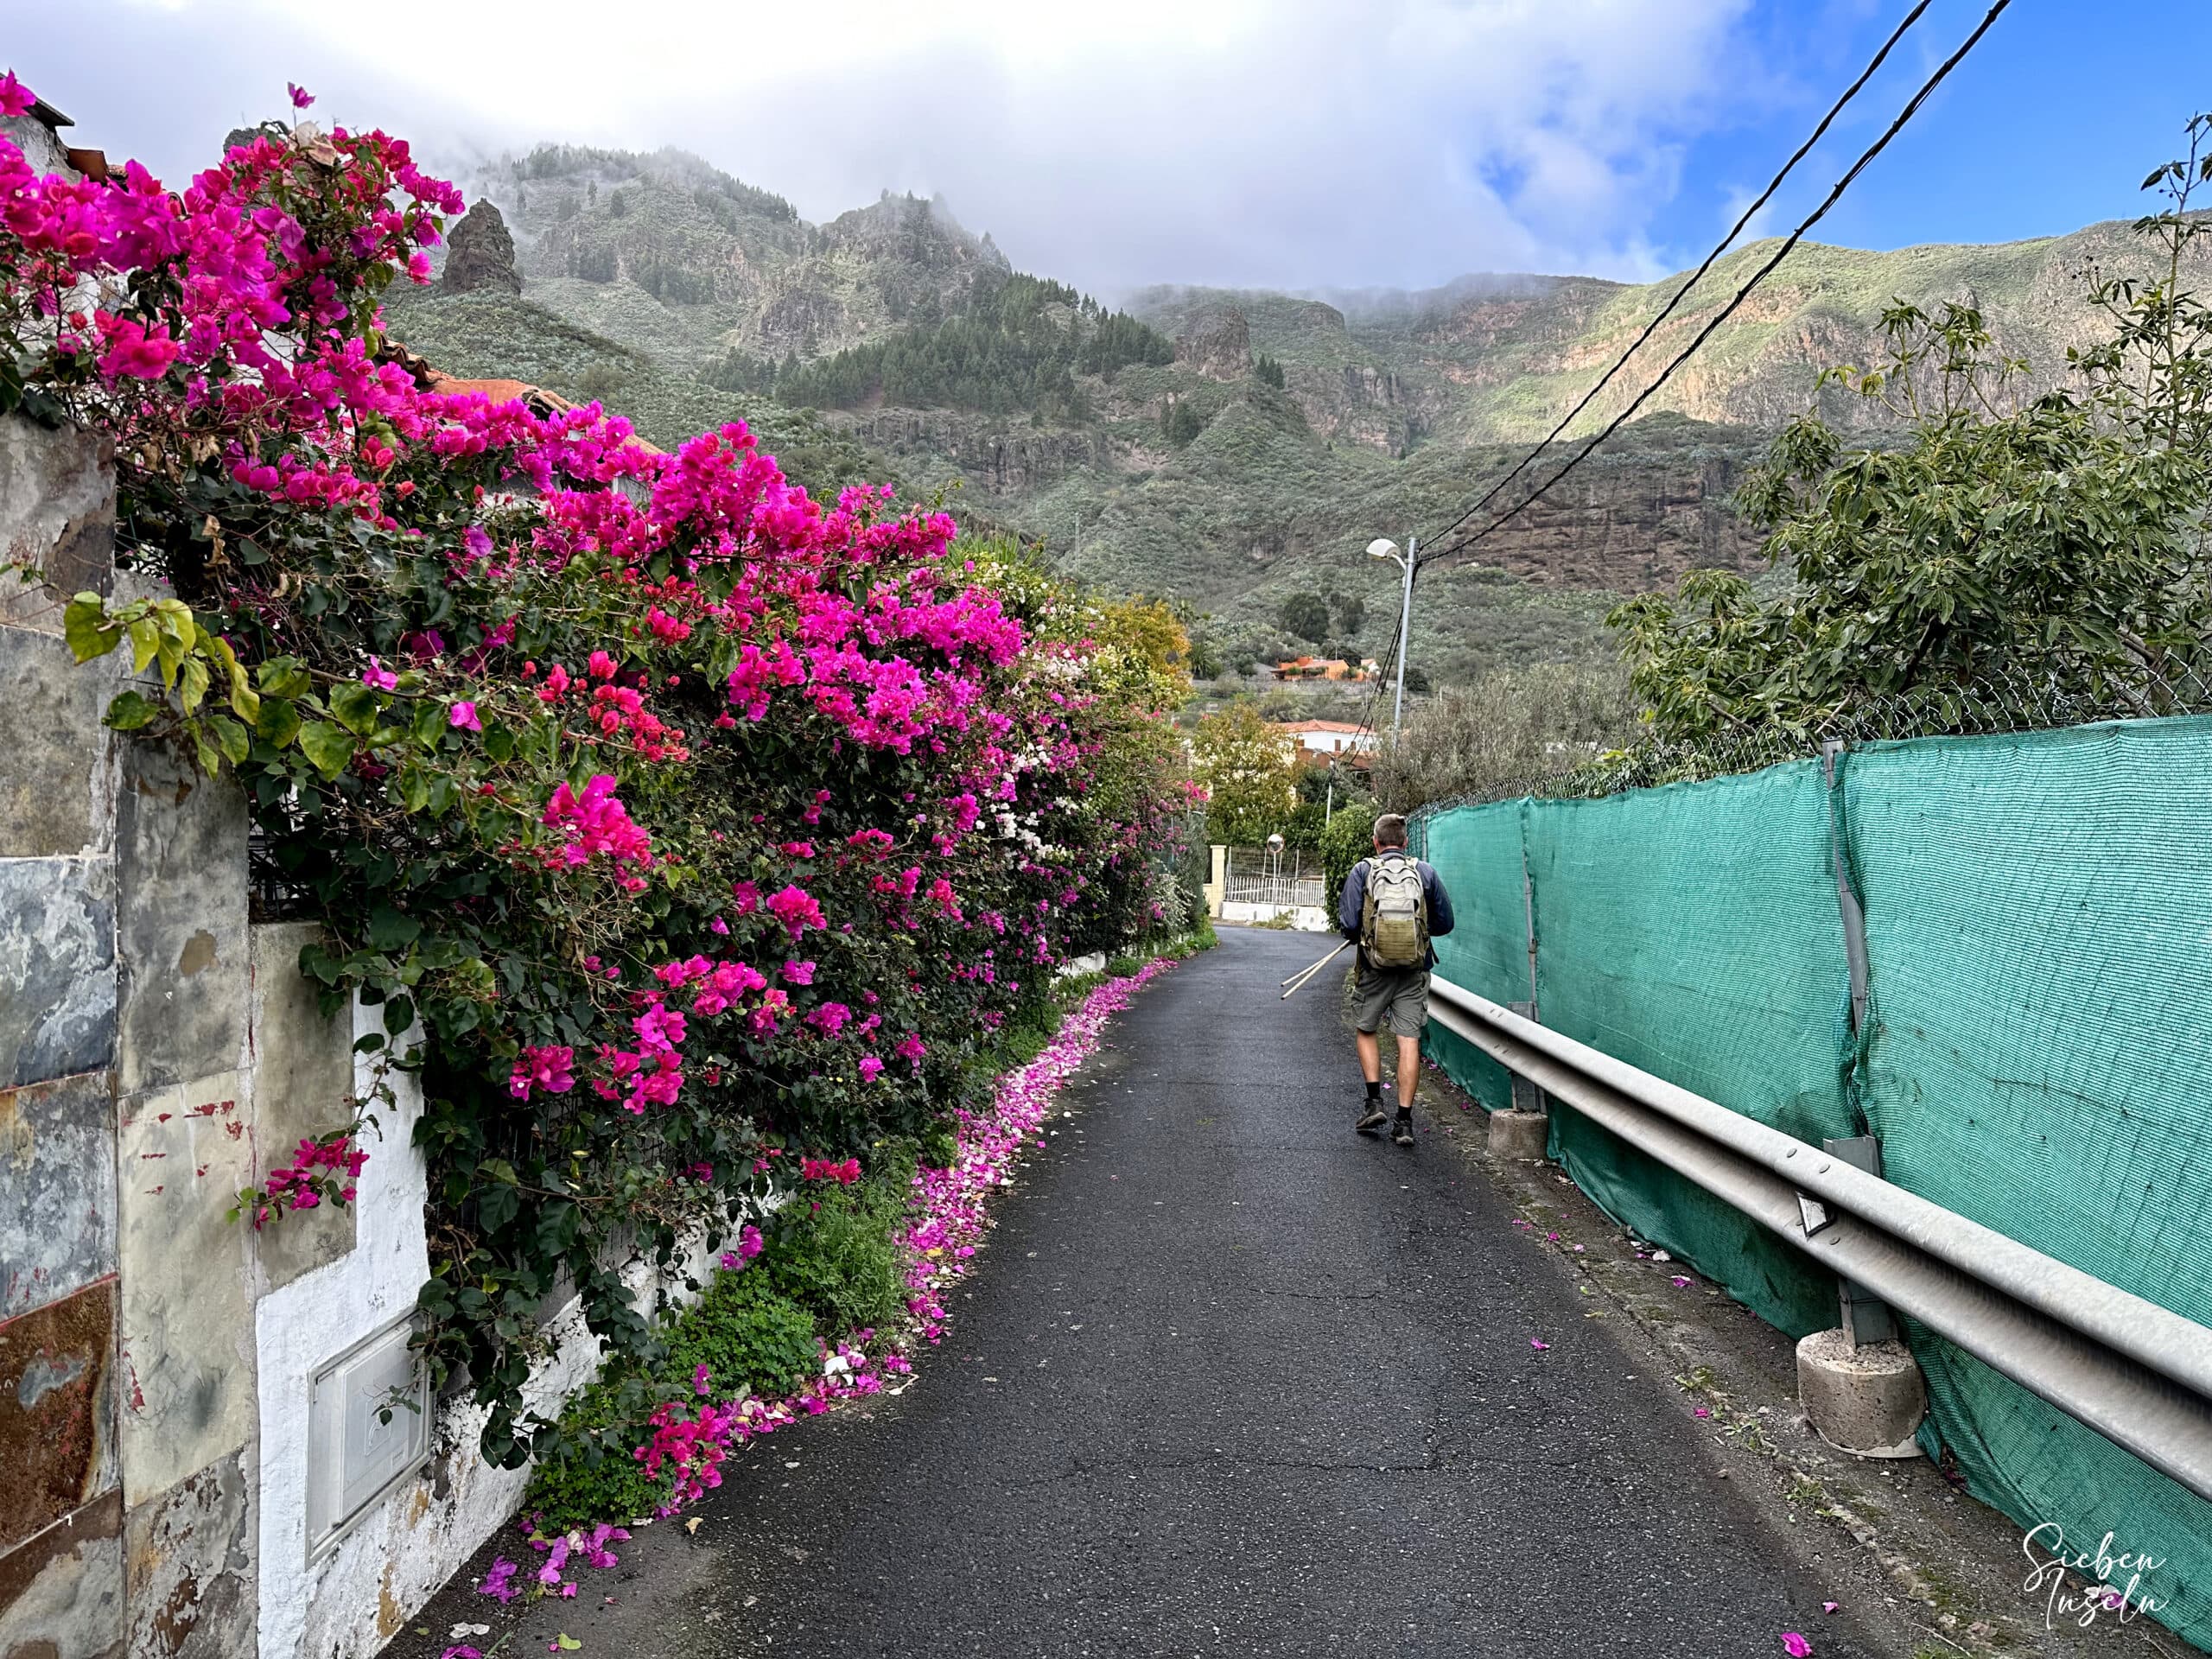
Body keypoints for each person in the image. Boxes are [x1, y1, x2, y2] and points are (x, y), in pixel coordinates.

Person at [1337, 813, 1454, 1146]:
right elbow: (1445, 923)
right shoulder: (1424, 872)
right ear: (1405, 843)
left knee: (1366, 1028)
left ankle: (1374, 1102)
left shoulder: (1363, 871)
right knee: (1408, 1041)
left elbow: (1348, 924)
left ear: (1376, 843)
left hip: (1374, 969)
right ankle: (1404, 1122)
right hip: (1414, 970)